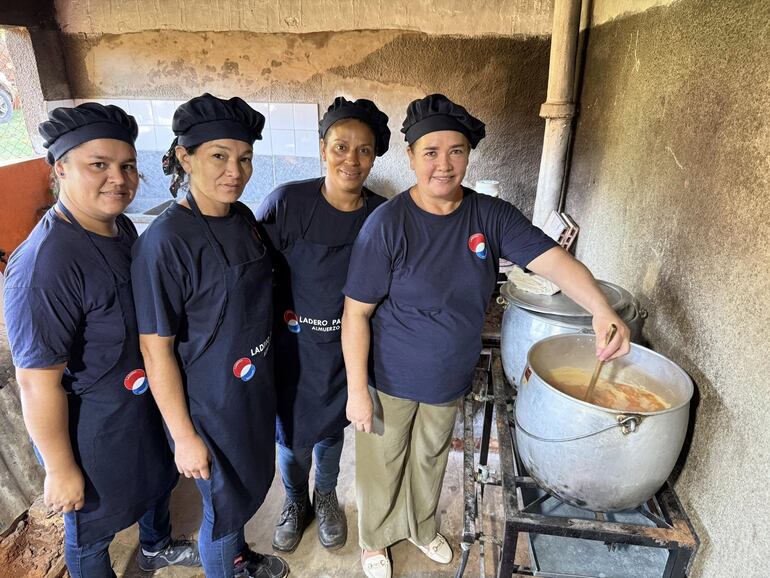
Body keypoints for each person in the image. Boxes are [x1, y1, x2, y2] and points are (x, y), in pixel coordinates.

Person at [341, 93, 632, 578]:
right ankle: (375, 539)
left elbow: (551, 259)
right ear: (410, 157)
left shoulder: (489, 215)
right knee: (383, 463)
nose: (444, 164)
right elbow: (356, 313)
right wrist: (356, 391)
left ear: (468, 155)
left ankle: (419, 526)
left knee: (431, 459)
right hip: (389, 377)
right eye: (430, 152)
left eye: (456, 151)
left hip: (448, 374)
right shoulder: (387, 225)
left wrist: (601, 307)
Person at [2, 102, 200, 577]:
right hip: (90, 429)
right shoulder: (46, 264)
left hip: (137, 402)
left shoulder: (121, 228)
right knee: (91, 527)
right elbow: (35, 382)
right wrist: (59, 467)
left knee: (157, 481)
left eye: (127, 165)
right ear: (61, 168)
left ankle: (155, 547)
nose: (119, 178)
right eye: (99, 165)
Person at [130, 94, 287, 578]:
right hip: (209, 407)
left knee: (238, 495)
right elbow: (155, 352)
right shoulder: (165, 242)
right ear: (185, 157)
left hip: (250, 393)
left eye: (243, 158)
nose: (234, 171)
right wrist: (183, 437)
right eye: (218, 156)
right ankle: (227, 563)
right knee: (219, 511)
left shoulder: (242, 218)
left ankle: (238, 558)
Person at [255, 97, 390, 553]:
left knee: (332, 429)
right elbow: (254, 273)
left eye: (364, 150)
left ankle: (326, 496)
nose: (351, 160)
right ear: (322, 148)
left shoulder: (382, 215)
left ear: (375, 156)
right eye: (340, 146)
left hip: (346, 349)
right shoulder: (287, 202)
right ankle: (296, 501)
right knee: (291, 435)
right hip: (292, 348)